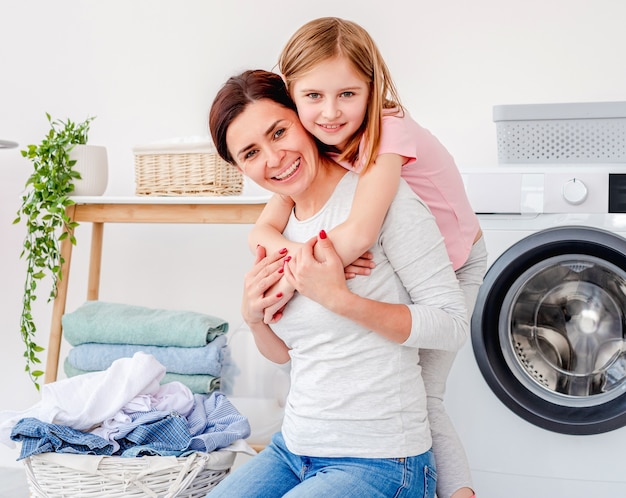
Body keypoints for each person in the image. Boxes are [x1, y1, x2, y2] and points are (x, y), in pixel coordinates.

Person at [247, 17, 487, 498]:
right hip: (401, 259)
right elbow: (261, 228)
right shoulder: (318, 138)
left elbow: (359, 231)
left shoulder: (387, 131)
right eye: (312, 96)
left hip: (458, 259)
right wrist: (302, 256)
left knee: (428, 398)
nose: (331, 113)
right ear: (292, 94)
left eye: (347, 95)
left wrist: (301, 278)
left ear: (372, 89)